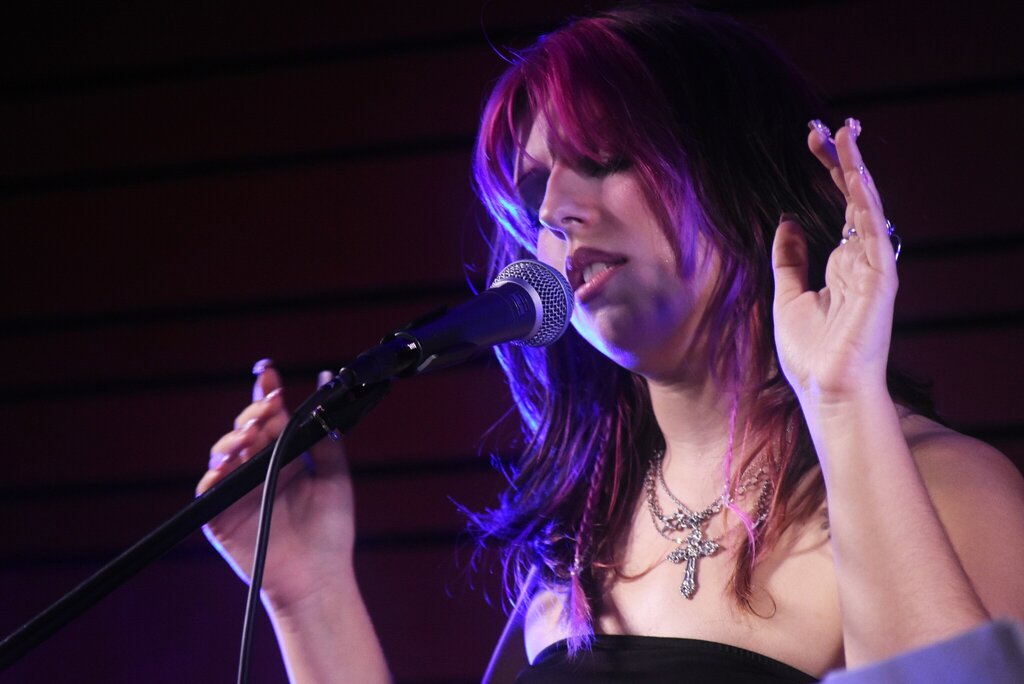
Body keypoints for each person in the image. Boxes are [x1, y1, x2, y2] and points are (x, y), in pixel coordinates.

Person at [196, 4, 1024, 682]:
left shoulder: (947, 491)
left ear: (734, 169)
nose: (553, 208)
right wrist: (309, 594)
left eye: (600, 158)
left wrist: (842, 401)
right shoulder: (576, 545)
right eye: (533, 186)